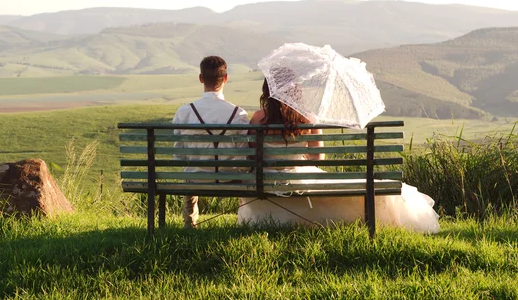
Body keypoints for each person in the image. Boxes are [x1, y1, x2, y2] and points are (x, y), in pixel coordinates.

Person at [237, 78, 440, 234]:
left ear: (268, 91)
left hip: (268, 180)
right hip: (300, 175)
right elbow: (319, 158)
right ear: (295, 92)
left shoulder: (258, 118)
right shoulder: (309, 118)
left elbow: (254, 155)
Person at [172, 56, 249, 228]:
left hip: (196, 178)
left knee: (189, 172)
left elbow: (179, 155)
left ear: (200, 78)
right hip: (230, 177)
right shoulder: (238, 113)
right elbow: (245, 157)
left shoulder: (184, 112)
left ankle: (190, 223)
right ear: (226, 78)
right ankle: (244, 221)